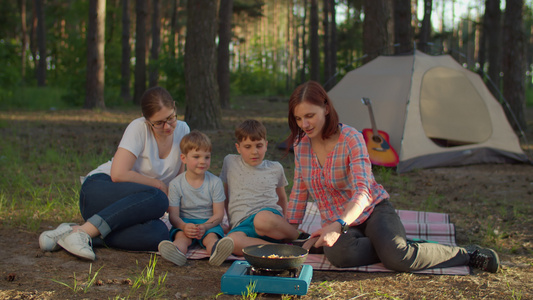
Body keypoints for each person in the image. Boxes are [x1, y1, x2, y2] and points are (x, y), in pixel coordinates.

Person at [285, 80, 500, 273]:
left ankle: (467, 254)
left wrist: (338, 224)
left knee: (399, 259)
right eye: (299, 118)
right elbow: (299, 191)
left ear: (326, 108)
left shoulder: (351, 138)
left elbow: (363, 191)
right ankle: (391, 244)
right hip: (339, 225)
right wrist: (288, 231)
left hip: (372, 211)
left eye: (310, 116)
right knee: (339, 255)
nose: (305, 125)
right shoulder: (301, 145)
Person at [38, 86, 190, 260]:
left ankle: (72, 232)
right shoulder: (138, 128)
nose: (168, 126)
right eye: (159, 123)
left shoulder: (183, 130)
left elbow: (178, 181)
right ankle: (84, 232)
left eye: (171, 118)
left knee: (158, 234)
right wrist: (158, 184)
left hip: (131, 209)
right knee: (159, 197)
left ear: (175, 108)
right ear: (147, 121)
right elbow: (118, 174)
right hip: (101, 190)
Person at [218, 119, 302, 258]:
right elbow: (226, 194)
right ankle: (279, 249)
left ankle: (297, 237)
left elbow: (281, 198)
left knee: (261, 219)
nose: (254, 152)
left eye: (259, 146)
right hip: (242, 225)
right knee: (231, 241)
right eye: (248, 146)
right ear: (238, 148)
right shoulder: (230, 162)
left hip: (268, 221)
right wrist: (229, 222)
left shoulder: (275, 168)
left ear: (266, 145)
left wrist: (285, 224)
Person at [158, 130, 234, 267]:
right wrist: (183, 226)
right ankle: (176, 252)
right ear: (183, 158)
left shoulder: (215, 182)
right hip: (185, 223)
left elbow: (219, 214)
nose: (202, 161)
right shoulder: (176, 184)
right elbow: (173, 216)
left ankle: (217, 252)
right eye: (196, 156)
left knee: (211, 239)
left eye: (207, 157)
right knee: (181, 238)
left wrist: (205, 226)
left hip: (208, 223)